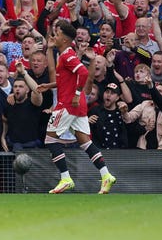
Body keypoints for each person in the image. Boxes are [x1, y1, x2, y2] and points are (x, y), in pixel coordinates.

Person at [46, 21, 117, 194]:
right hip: (76, 106)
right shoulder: (66, 54)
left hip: (68, 104)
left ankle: (65, 178)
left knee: (50, 139)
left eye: (57, 33)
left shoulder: (66, 55)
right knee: (85, 143)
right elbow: (67, 80)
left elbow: (83, 73)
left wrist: (77, 94)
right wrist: (49, 86)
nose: (54, 36)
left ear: (64, 38)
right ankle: (106, 175)